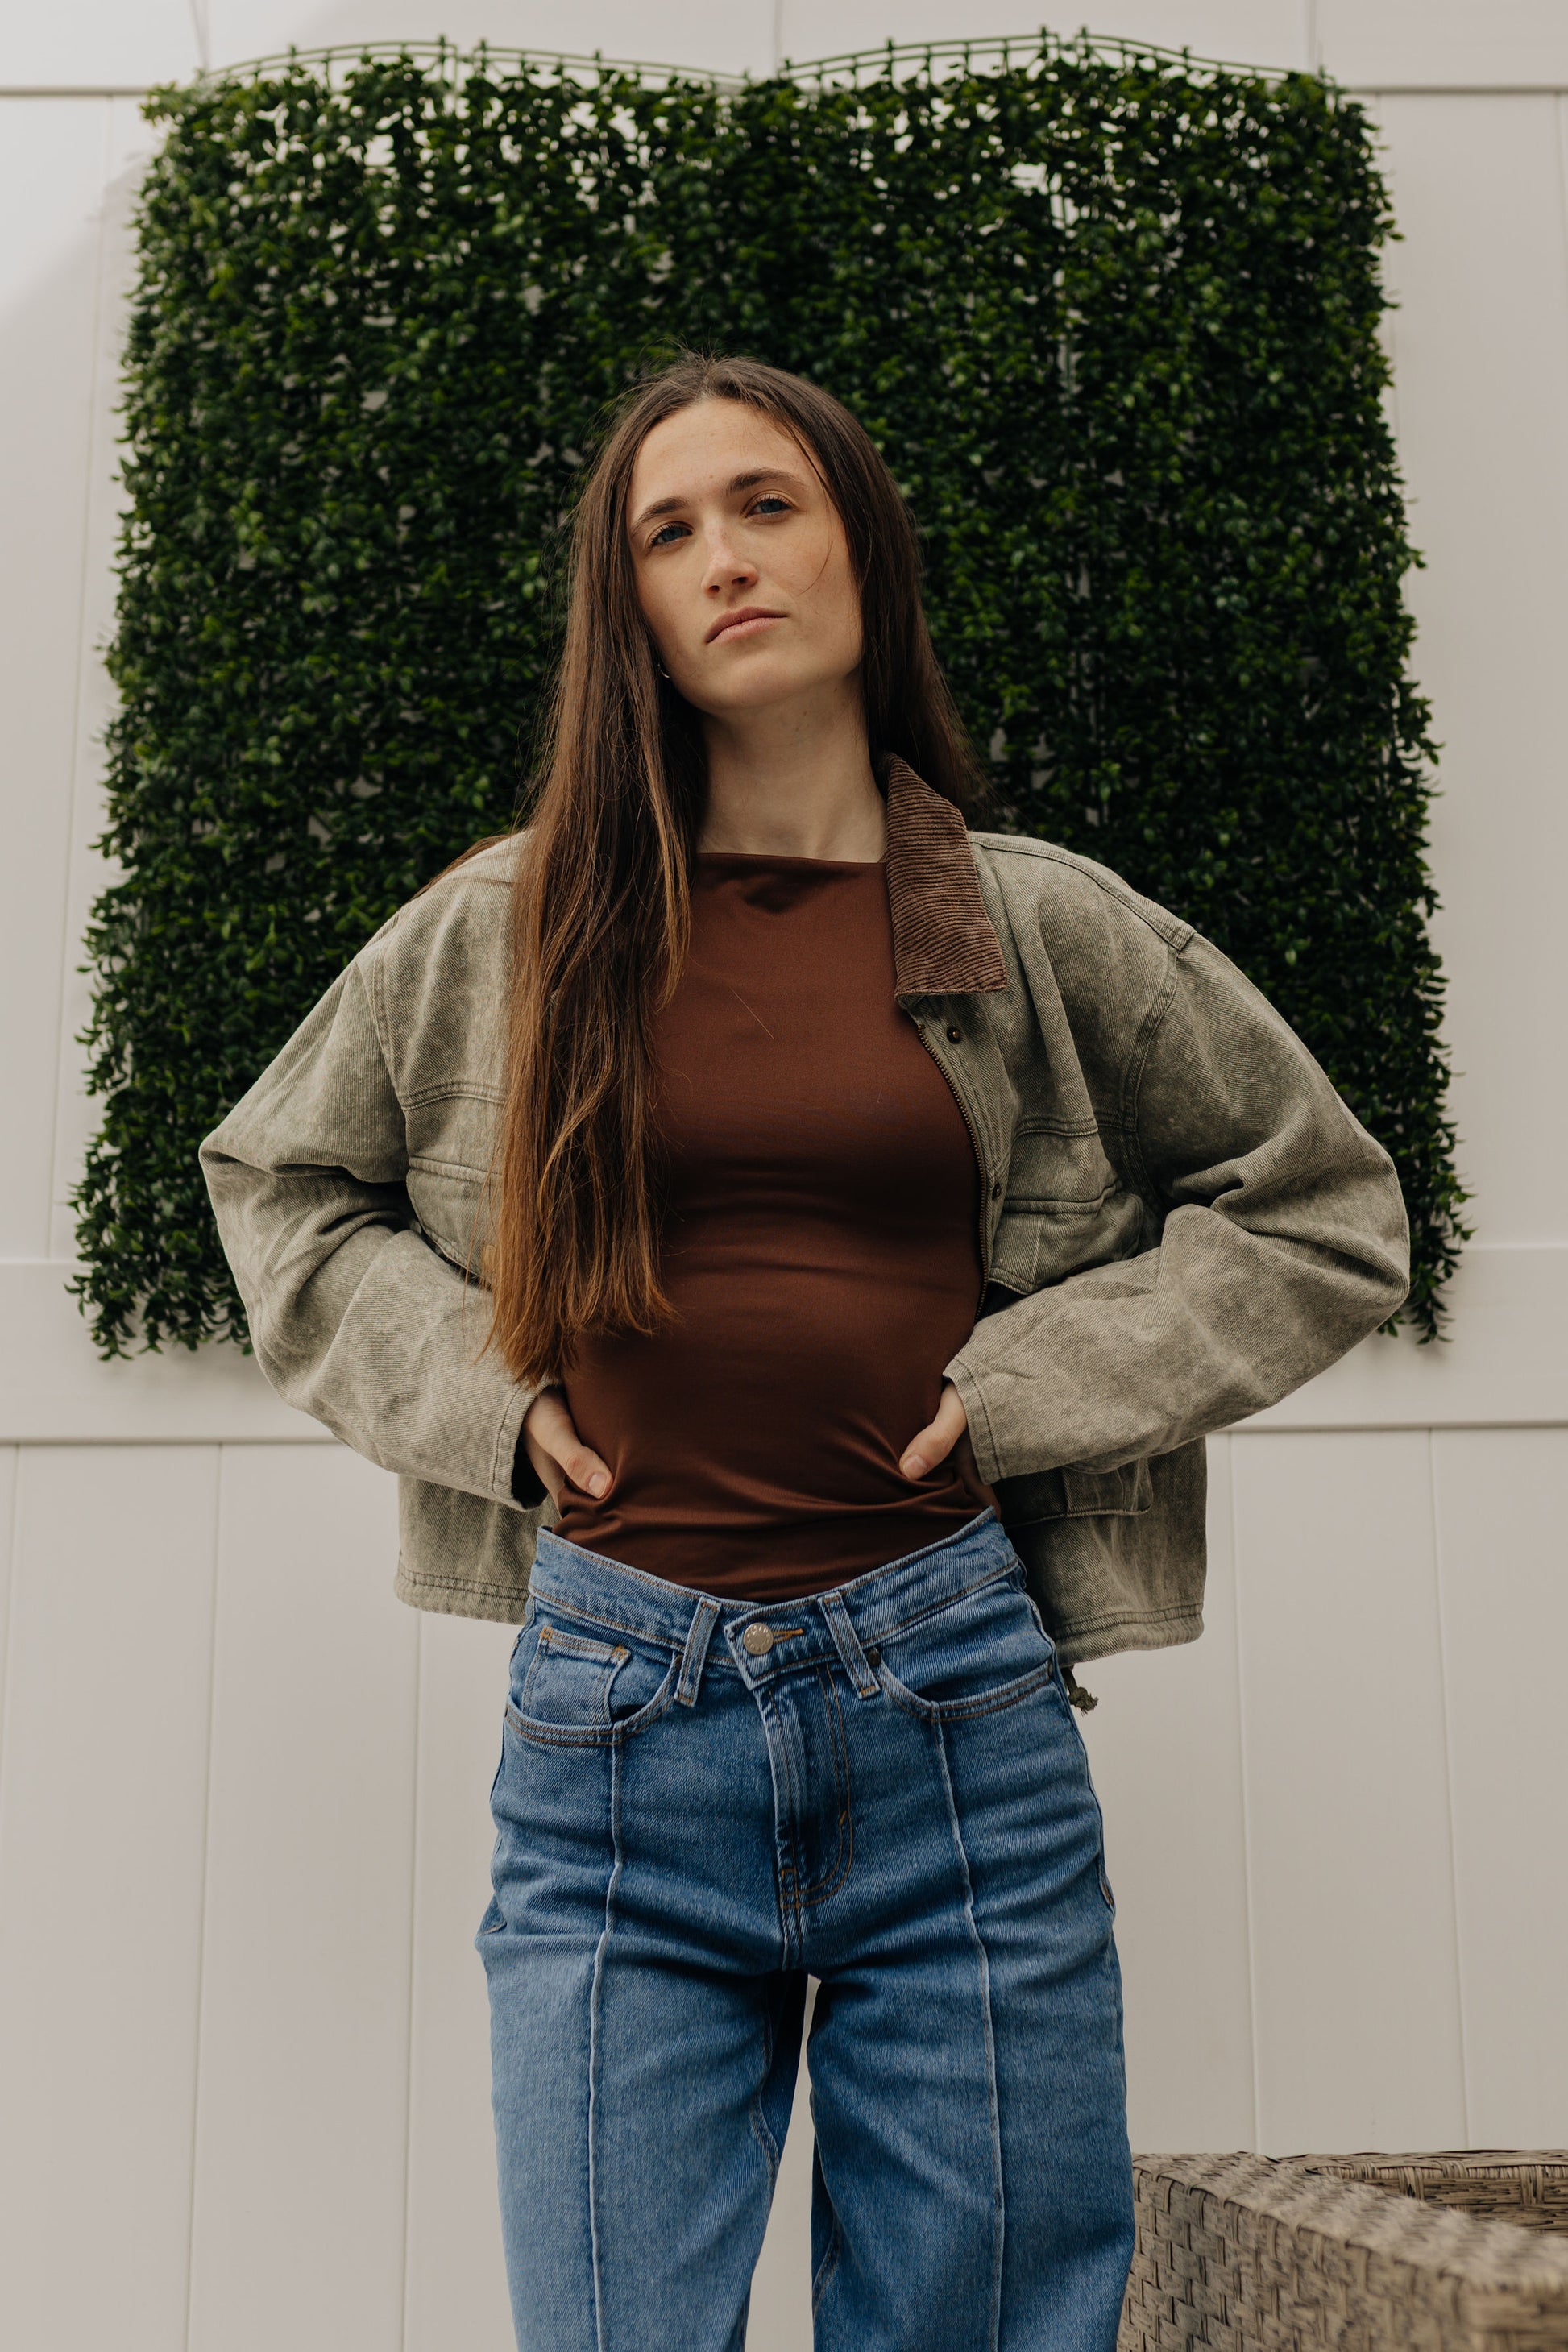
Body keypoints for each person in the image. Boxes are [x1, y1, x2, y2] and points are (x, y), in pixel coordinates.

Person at [201, 353, 1409, 2352]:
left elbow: (1322, 1207)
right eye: (666, 531)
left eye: (766, 503)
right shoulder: (507, 927)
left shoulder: (1044, 924)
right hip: (611, 1721)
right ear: (630, 609)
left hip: (953, 1703)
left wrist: (1025, 1392)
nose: (723, 558)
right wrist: (490, 1406)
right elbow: (280, 1181)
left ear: (862, 545)